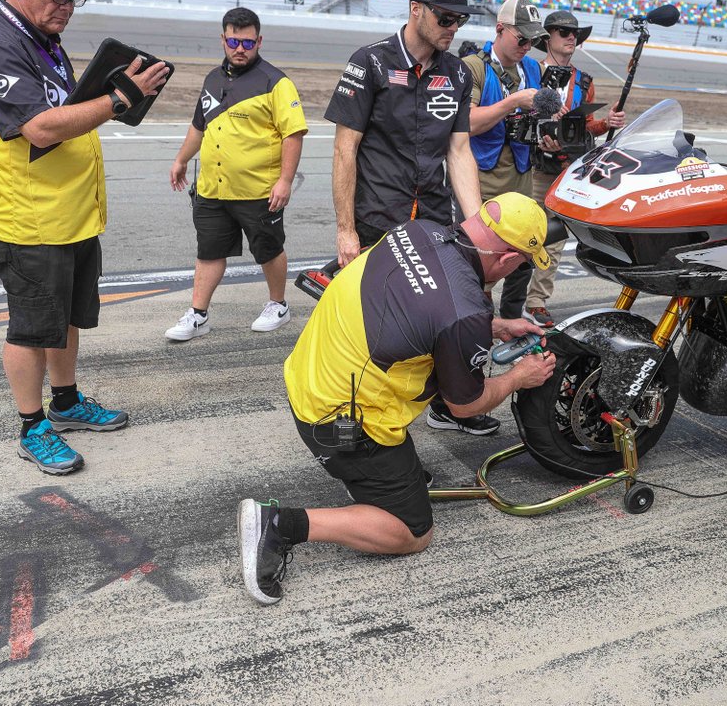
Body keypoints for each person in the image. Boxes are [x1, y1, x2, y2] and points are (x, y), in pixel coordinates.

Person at [237, 193, 558, 606]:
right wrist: (518, 377)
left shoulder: (419, 230)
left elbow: (416, 308)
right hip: (339, 421)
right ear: (507, 257)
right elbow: (465, 405)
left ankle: (374, 485)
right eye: (525, 262)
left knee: (405, 480)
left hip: (309, 373)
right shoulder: (462, 312)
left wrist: (490, 326)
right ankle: (279, 524)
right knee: (412, 531)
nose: (521, 269)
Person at [0, 0, 169, 475]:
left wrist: (114, 95)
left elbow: (69, 108)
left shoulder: (45, 38)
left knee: (66, 321)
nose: (66, 7)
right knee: (31, 329)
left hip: (72, 213)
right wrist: (119, 99)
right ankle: (33, 426)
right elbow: (40, 126)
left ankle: (67, 402)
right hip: (30, 220)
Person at [325, 0, 490, 435]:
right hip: (377, 216)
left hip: (433, 217)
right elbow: (344, 149)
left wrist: (478, 225)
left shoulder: (457, 72)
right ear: (416, 8)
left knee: (450, 314)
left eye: (460, 19)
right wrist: (345, 229)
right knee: (375, 331)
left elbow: (459, 152)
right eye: (444, 18)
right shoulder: (370, 62)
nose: (453, 28)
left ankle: (449, 403)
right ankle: (366, 427)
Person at [164, 8, 307, 340]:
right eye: (233, 41)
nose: (240, 48)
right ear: (223, 39)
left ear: (259, 41)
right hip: (212, 190)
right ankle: (198, 315)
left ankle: (278, 305)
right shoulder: (212, 79)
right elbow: (199, 126)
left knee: (268, 249)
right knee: (209, 251)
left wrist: (285, 181)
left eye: (247, 42)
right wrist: (181, 159)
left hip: (258, 190)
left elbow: (293, 134)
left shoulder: (277, 82)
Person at [523, 10, 626, 327]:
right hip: (531, 167)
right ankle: (489, 293)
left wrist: (606, 123)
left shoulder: (584, 81)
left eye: (575, 34)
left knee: (554, 239)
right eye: (564, 32)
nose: (571, 38)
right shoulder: (530, 71)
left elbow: (585, 129)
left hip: (568, 169)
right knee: (521, 233)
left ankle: (537, 301)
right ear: (548, 37)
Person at [461, 0, 546, 324]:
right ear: (499, 29)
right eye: (521, 38)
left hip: (522, 182)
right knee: (479, 266)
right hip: (484, 185)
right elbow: (466, 123)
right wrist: (512, 102)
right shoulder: (474, 67)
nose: (527, 46)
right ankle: (478, 327)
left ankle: (514, 322)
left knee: (522, 259)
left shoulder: (533, 68)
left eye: (533, 40)